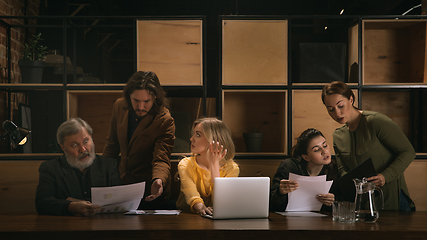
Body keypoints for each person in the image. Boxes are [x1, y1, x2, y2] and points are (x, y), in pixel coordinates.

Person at [321, 81, 416, 211]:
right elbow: (342, 168)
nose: (337, 113)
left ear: (351, 99)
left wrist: (385, 176)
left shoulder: (375, 121)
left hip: (392, 199)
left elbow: (408, 151)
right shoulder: (338, 136)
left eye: (341, 106)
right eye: (331, 109)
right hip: (362, 205)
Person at [102, 71, 175, 210]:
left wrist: (158, 180)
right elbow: (111, 147)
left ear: (155, 97)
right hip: (121, 186)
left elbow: (161, 159)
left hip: (149, 191)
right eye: (136, 100)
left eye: (146, 101)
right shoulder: (119, 106)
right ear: (129, 96)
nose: (141, 107)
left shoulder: (165, 120)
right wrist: (100, 177)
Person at [35, 118, 122, 216]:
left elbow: (118, 199)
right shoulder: (50, 168)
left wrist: (81, 201)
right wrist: (71, 207)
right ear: (63, 147)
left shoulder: (109, 165)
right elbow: (42, 203)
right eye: (75, 145)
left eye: (86, 141)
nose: (83, 149)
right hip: (66, 227)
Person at [176, 117, 239, 215]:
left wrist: (214, 164)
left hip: (218, 216)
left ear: (213, 139)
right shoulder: (185, 164)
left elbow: (221, 201)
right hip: (187, 216)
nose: (191, 139)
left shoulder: (232, 168)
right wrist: (201, 207)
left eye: (198, 134)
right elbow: (191, 194)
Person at [270, 128, 338, 212]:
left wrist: (332, 202)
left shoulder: (334, 169)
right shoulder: (290, 166)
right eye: (316, 150)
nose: (324, 151)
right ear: (306, 157)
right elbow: (272, 205)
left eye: (325, 145)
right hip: (288, 220)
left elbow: (341, 205)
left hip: (321, 221)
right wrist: (280, 192)